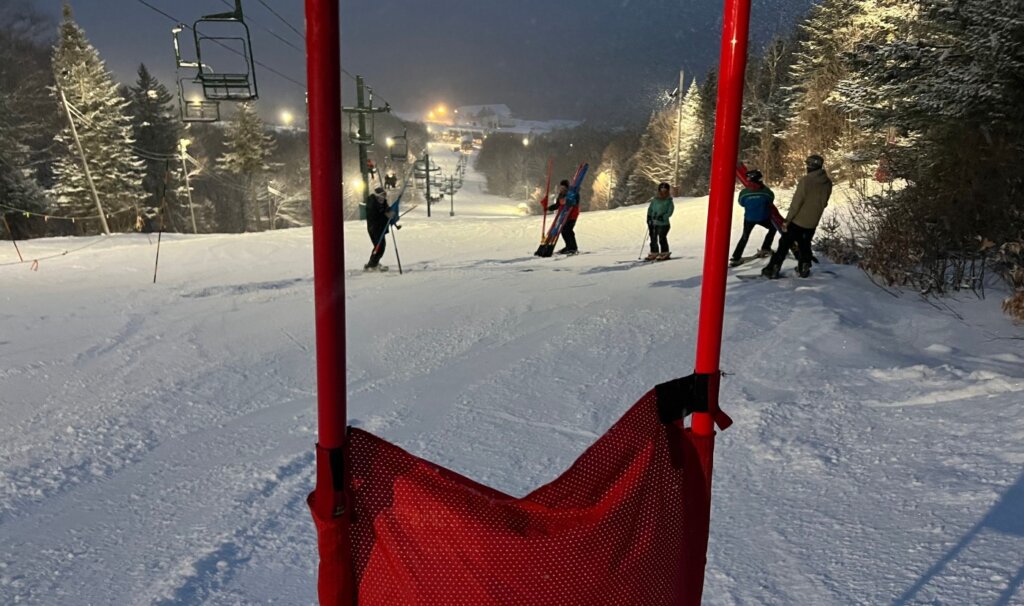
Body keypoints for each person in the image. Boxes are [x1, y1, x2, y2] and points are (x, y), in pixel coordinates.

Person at [762, 154, 832, 279]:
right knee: (805, 244)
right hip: (813, 221)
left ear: (810, 166)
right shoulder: (827, 182)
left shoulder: (806, 181)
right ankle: (804, 265)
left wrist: (787, 221)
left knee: (784, 244)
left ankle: (773, 268)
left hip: (798, 221)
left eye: (808, 164)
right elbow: (824, 202)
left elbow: (796, 203)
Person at [730, 169, 777, 266]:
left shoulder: (744, 193)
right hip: (763, 217)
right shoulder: (766, 192)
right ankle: (766, 247)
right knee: (773, 228)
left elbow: (741, 203)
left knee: (744, 237)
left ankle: (736, 257)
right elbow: (770, 201)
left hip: (749, 218)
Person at [544, 179, 580, 254]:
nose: (562, 189)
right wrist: (548, 208)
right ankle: (569, 246)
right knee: (564, 231)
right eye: (561, 188)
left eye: (564, 188)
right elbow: (557, 205)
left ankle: (573, 248)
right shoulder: (561, 195)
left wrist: (570, 201)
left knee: (568, 230)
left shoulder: (572, 194)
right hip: (564, 215)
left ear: (567, 188)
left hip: (572, 215)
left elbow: (575, 202)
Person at [364, 186, 394, 271]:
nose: (383, 198)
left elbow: (387, 210)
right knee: (379, 246)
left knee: (381, 246)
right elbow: (375, 217)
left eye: (384, 196)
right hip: (374, 228)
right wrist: (386, 216)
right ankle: (372, 265)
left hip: (380, 228)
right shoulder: (372, 204)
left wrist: (390, 214)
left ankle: (373, 263)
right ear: (377, 196)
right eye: (381, 196)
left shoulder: (383, 203)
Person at [645, 182, 675, 260]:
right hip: (654, 222)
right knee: (653, 238)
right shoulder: (655, 200)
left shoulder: (669, 201)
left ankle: (664, 252)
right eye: (661, 189)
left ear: (667, 190)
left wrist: (663, 217)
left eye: (665, 189)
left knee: (662, 237)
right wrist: (649, 217)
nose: (663, 190)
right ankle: (654, 252)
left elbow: (670, 212)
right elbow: (650, 209)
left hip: (664, 224)